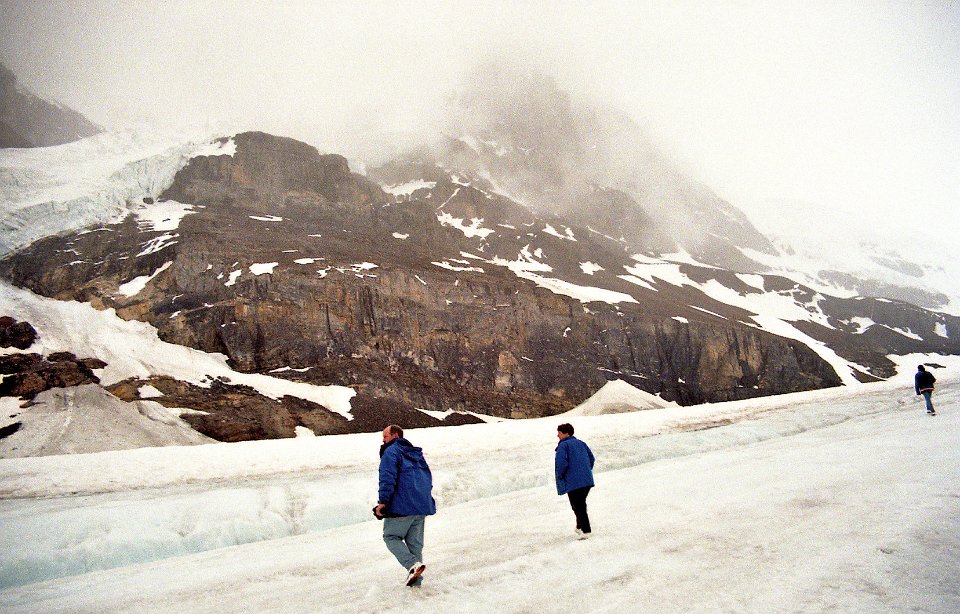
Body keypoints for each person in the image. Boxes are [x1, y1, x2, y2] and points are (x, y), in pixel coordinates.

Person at [374, 424, 436, 587]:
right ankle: (416, 582)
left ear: (395, 435)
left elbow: (387, 477)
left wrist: (383, 502)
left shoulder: (391, 452)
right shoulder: (415, 454)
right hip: (420, 506)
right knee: (415, 545)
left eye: (385, 437)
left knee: (391, 537)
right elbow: (427, 478)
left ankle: (412, 565)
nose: (383, 440)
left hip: (402, 505)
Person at [555, 422, 595, 539]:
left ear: (566, 433)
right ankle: (579, 527)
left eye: (559, 433)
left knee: (578, 505)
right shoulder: (581, 443)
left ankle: (586, 530)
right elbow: (591, 458)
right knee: (579, 503)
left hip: (573, 481)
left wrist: (561, 475)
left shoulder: (563, 446)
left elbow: (561, 463)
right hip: (586, 480)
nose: (557, 436)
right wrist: (585, 470)